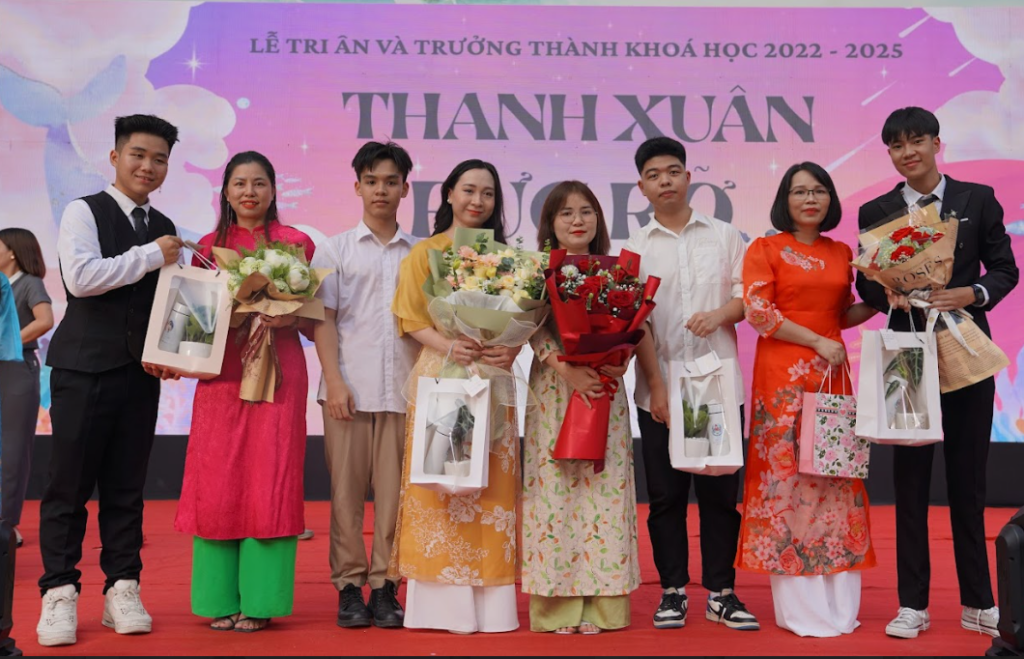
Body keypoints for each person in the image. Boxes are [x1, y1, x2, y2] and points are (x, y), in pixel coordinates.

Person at [855, 107, 1019, 639]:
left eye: (916, 141)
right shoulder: (876, 210)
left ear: (936, 143)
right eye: (897, 145)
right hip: (906, 352)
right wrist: (889, 292)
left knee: (968, 481)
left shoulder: (977, 199)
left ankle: (978, 603)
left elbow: (1005, 268)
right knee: (909, 481)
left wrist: (972, 292)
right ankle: (912, 605)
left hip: (964, 345)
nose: (908, 153)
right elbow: (866, 282)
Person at [36, 114, 183, 647]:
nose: (148, 166)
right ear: (116, 156)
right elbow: (81, 279)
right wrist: (151, 254)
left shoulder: (163, 225)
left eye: (159, 159)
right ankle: (58, 591)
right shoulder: (85, 211)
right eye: (139, 155)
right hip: (82, 369)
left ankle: (123, 586)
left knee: (127, 488)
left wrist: (173, 351)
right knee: (68, 487)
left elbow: (170, 302)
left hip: (140, 374)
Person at [174, 151, 315, 633]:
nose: (249, 192)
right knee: (218, 477)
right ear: (226, 192)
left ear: (273, 191)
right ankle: (217, 599)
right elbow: (192, 319)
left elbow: (313, 317)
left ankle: (261, 600)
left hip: (280, 369)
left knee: (270, 475)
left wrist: (286, 316)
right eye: (240, 183)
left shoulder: (296, 244)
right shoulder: (206, 247)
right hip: (223, 374)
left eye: (259, 183)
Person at [737, 162, 878, 637]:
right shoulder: (766, 248)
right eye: (799, 191)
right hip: (782, 381)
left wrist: (885, 299)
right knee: (788, 484)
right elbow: (758, 312)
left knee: (834, 478)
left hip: (832, 377)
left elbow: (840, 314)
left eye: (818, 190)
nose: (810, 199)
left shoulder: (842, 252)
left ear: (830, 198)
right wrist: (818, 341)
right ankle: (800, 607)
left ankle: (838, 603)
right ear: (785, 200)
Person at [625, 137, 759, 631]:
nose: (665, 181)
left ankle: (722, 592)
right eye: (654, 175)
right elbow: (635, 323)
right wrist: (655, 385)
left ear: (688, 177)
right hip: (659, 389)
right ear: (641, 186)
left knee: (720, 494)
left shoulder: (725, 235)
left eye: (672, 171)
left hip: (716, 386)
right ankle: (672, 591)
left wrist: (720, 314)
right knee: (666, 496)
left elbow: (748, 297)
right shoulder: (635, 248)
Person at [388, 159, 520, 634]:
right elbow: (409, 319)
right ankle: (442, 607)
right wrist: (450, 346)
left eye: (487, 193)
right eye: (468, 190)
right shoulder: (425, 253)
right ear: (448, 194)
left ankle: (493, 607)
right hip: (444, 375)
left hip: (491, 378)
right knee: (440, 486)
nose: (477, 201)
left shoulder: (508, 258)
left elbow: (522, 319)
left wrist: (512, 347)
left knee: (491, 488)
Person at [522, 181, 640, 635]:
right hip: (555, 391)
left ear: (598, 219)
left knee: (603, 493)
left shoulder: (619, 272)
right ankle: (558, 609)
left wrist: (620, 357)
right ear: (550, 223)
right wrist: (564, 367)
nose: (577, 220)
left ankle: (603, 608)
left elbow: (633, 328)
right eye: (566, 212)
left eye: (586, 211)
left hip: (603, 390)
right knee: (553, 495)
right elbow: (529, 327)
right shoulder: (538, 269)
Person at [312, 141, 419, 629]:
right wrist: (334, 381)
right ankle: (349, 587)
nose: (381, 190)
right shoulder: (334, 248)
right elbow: (324, 320)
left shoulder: (420, 253)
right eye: (372, 181)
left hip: (403, 391)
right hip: (347, 393)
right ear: (357, 186)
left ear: (405, 189)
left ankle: (386, 586)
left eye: (391, 182)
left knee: (397, 500)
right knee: (345, 497)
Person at [0, 228, 53, 548]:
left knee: (12, 450)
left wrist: (8, 342)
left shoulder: (29, 283)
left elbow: (45, 319)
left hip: (17, 370)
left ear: (12, 252)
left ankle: (5, 524)